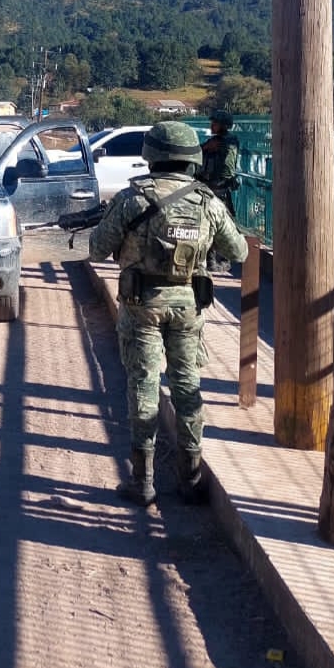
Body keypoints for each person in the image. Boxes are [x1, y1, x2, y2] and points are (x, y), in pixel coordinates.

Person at [88, 121, 249, 508]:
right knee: (187, 387)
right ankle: (190, 479)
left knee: (143, 385)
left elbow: (96, 249)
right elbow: (239, 251)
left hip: (141, 306)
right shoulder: (207, 201)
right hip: (188, 306)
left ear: (151, 155)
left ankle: (142, 481)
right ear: (192, 158)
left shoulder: (132, 199)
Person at [198, 110, 242, 273]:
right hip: (211, 187)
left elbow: (226, 170)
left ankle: (221, 260)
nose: (212, 126)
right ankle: (212, 260)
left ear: (223, 125)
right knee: (211, 224)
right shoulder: (216, 141)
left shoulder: (227, 142)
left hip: (218, 189)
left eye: (215, 123)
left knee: (221, 224)